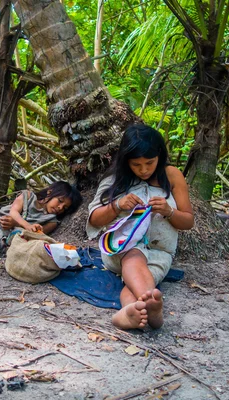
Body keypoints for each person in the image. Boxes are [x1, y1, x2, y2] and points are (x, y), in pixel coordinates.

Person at [87, 124, 194, 330]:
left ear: (159, 156)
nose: (143, 170)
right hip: (121, 249)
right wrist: (117, 205)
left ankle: (131, 312)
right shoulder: (114, 179)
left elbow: (188, 221)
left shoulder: (172, 176)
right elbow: (94, 219)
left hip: (160, 253)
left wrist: (169, 211)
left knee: (141, 284)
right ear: (126, 160)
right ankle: (155, 314)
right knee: (134, 256)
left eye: (149, 163)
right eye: (136, 164)